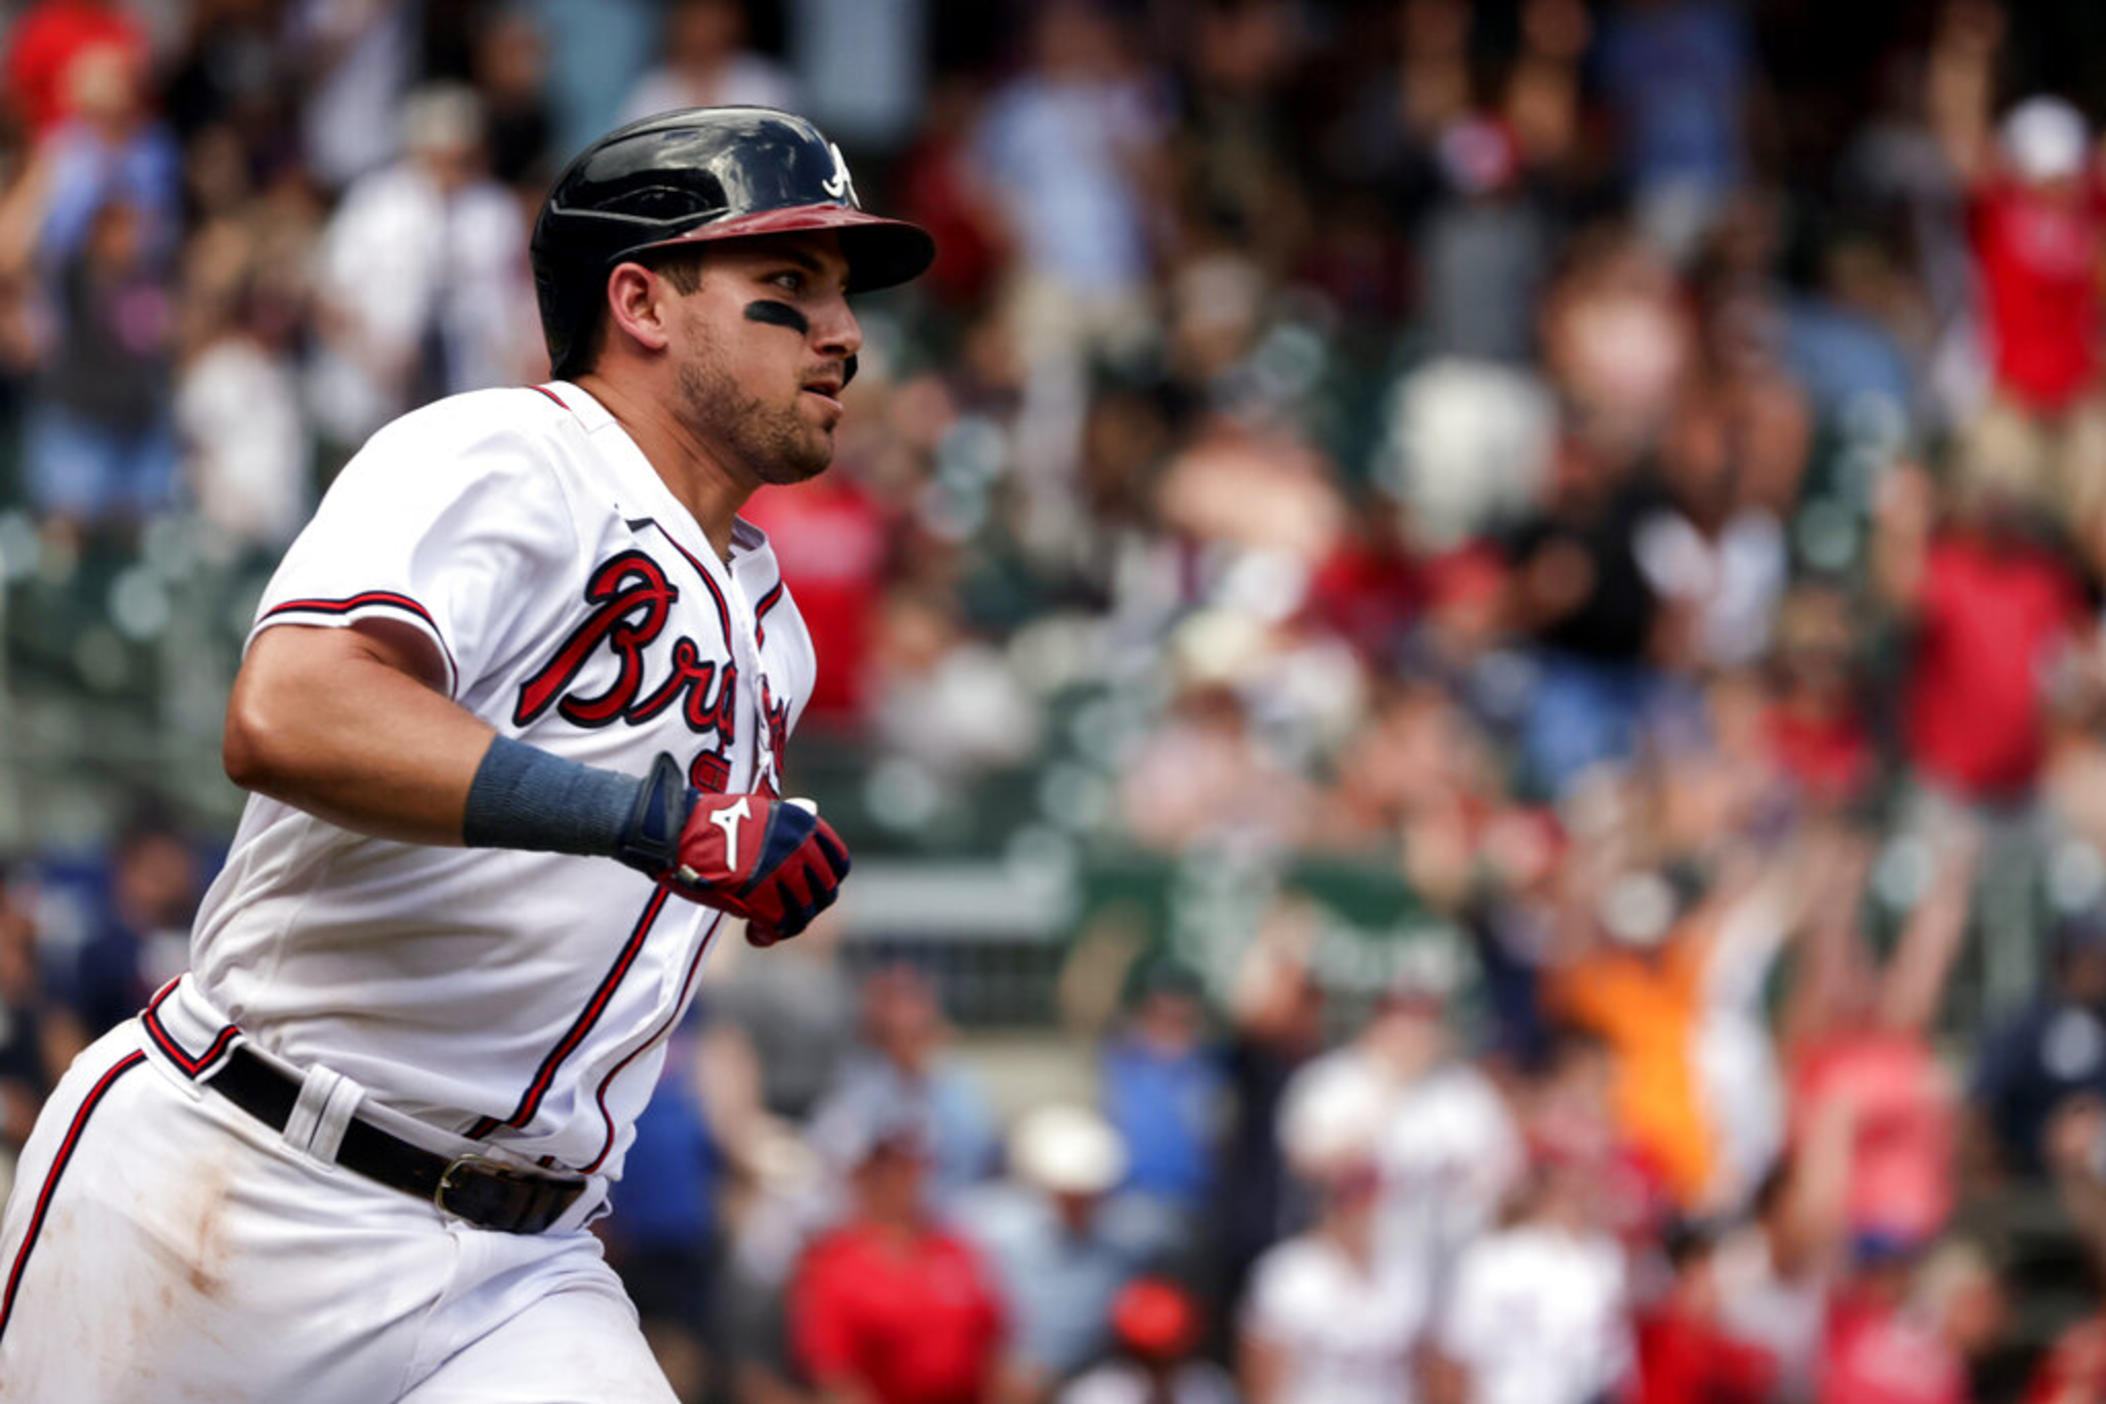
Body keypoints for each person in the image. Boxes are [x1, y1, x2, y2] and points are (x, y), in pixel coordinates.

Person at [0, 106, 932, 1401]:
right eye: (787, 287)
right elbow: (290, 711)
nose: (842, 333)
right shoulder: (506, 455)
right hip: (247, 1176)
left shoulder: (772, 627)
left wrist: (711, 872)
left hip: (519, 1264)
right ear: (641, 304)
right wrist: (651, 825)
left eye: (841, 296)